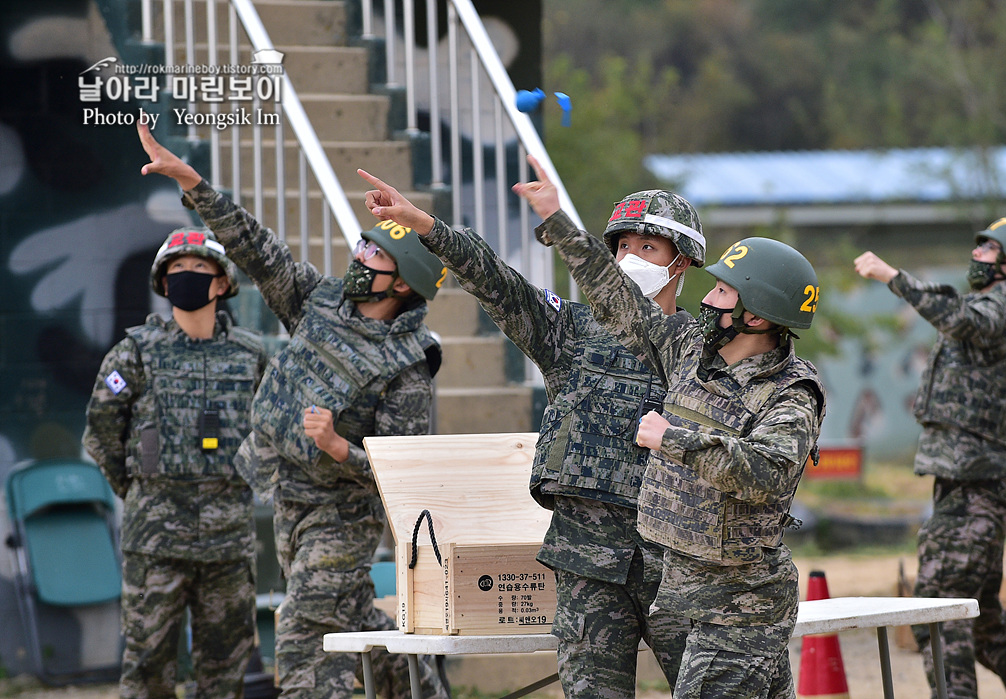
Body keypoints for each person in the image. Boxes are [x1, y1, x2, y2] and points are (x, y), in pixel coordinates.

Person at [135, 123, 450, 699]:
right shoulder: (321, 302)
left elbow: (402, 474)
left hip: (342, 514)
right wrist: (194, 185)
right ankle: (420, 688)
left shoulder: (407, 367)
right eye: (363, 243)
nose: (360, 254)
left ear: (403, 282)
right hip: (287, 494)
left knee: (305, 631)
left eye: (375, 251)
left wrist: (338, 449)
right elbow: (258, 250)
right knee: (352, 617)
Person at [358, 168, 700, 697]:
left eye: (648, 246)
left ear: (681, 260)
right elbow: (496, 281)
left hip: (678, 565)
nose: (630, 257)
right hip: (588, 566)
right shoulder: (571, 330)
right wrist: (424, 225)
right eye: (622, 245)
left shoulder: (702, 350)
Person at [509, 156, 825, 698]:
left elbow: (768, 472)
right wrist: (558, 223)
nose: (706, 297)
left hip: (742, 606)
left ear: (757, 314)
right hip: (693, 595)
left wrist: (669, 438)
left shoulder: (792, 392)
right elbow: (619, 302)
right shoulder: (690, 352)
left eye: (723, 291)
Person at [854, 215, 1006, 699]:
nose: (976, 255)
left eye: (988, 250)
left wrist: (891, 277)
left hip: (977, 484)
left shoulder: (1005, 308)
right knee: (981, 618)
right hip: (970, 479)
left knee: (937, 610)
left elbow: (959, 318)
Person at [83, 227, 267, 699]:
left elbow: (270, 436)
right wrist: (143, 492)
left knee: (225, 675)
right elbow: (101, 433)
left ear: (223, 282)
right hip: (155, 541)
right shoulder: (134, 354)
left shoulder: (250, 356)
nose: (186, 277)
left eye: (199, 269)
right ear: (163, 283)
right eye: (176, 270)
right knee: (147, 671)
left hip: (228, 543)